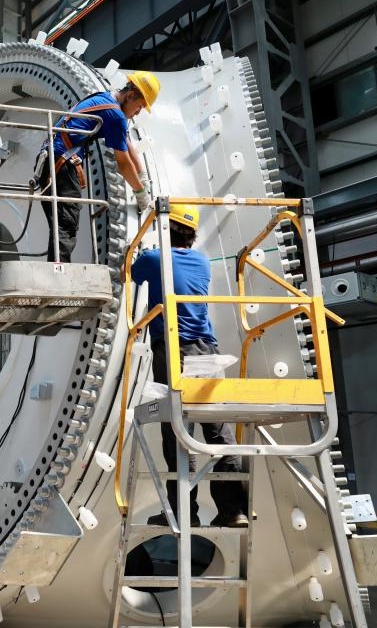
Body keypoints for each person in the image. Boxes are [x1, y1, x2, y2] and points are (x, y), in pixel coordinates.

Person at [130, 203, 248, 528]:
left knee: (178, 433)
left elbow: (131, 272)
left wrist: (140, 249)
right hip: (207, 349)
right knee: (218, 431)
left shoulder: (154, 259)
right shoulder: (203, 261)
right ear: (192, 234)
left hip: (173, 350)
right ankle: (234, 510)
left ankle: (184, 513)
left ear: (165, 230)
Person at [37, 71, 161, 262]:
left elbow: (126, 142)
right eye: (140, 106)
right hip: (63, 166)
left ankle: (56, 269)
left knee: (61, 225)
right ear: (130, 95)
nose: (138, 112)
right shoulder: (116, 115)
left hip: (50, 161)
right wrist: (140, 192)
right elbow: (123, 162)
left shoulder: (105, 99)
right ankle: (58, 272)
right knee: (66, 225)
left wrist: (142, 175)